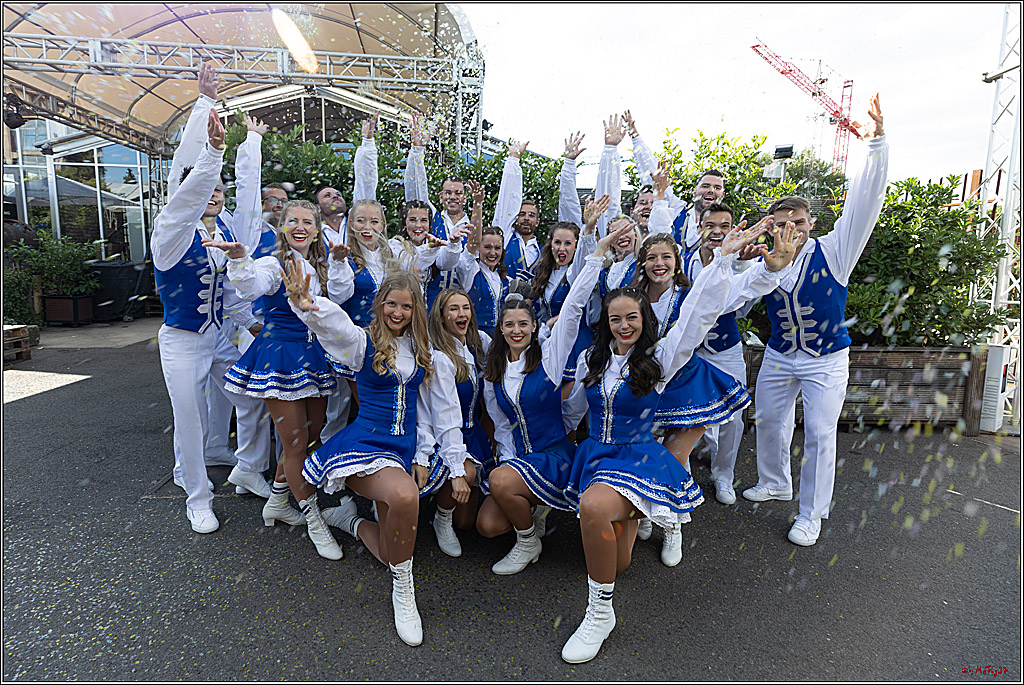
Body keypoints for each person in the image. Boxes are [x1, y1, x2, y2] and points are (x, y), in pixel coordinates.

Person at [558, 217, 780, 664]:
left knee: (595, 509)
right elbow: (574, 399)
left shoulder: (659, 359)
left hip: (638, 457)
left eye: (633, 318)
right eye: (616, 319)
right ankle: (635, 519)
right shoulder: (590, 358)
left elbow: (697, 315)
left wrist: (722, 261)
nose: (624, 326)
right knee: (615, 559)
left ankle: (600, 613)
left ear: (646, 321)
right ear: (606, 322)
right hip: (596, 456)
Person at [284, 267, 464, 647]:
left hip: (405, 449)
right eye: (391, 304)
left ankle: (348, 521)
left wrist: (427, 453)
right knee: (404, 497)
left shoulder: (424, 353)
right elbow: (337, 329)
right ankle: (404, 591)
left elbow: (437, 410)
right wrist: (309, 305)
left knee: (389, 549)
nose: (397, 313)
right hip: (366, 445)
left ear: (417, 310)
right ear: (380, 304)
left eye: (406, 306)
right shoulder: (363, 344)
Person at [741, 95, 888, 547]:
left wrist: (878, 147)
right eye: (783, 221)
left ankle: (811, 514)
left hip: (826, 358)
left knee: (822, 434)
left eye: (800, 221)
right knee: (767, 418)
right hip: (781, 354)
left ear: (810, 222)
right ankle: (775, 481)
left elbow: (864, 205)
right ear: (772, 226)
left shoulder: (834, 251)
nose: (792, 229)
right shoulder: (762, 259)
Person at [475, 221, 635, 575]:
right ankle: (533, 515)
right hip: (519, 458)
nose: (517, 331)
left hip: (552, 455)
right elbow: (501, 423)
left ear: (535, 326)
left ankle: (528, 540)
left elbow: (576, 303)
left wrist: (595, 254)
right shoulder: (495, 370)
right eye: (509, 325)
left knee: (501, 483)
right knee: (487, 526)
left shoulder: (548, 359)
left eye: (523, 324)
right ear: (500, 329)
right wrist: (509, 458)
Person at [205, 200, 338, 547]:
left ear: (317, 228)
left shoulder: (318, 264)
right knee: (294, 444)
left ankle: (278, 501)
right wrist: (238, 260)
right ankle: (314, 518)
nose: (300, 226)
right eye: (292, 220)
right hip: (280, 357)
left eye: (307, 221)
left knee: (310, 438)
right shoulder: (271, 263)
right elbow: (250, 286)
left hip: (312, 355)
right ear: (282, 227)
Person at [152, 106, 234, 533]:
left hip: (216, 336)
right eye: (201, 191)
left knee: (247, 398)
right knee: (188, 416)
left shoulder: (213, 235)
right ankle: (198, 497)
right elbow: (185, 191)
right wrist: (213, 150)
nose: (209, 196)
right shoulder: (168, 232)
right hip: (181, 340)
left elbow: (229, 290)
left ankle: (235, 460)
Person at [414, 288, 493, 557]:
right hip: (443, 436)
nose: (462, 314)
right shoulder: (440, 357)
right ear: (442, 316)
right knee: (467, 474)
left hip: (472, 432)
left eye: (466, 308)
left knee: (467, 523)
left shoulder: (476, 343)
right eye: (453, 309)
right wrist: (457, 470)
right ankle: (441, 519)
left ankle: (447, 508)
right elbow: (443, 417)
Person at [623, 110, 726, 251]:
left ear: (723, 195)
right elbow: (653, 176)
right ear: (694, 191)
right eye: (706, 186)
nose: (710, 190)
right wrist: (635, 137)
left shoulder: (726, 230)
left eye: (717, 188)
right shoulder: (677, 210)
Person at [403, 115, 473, 309]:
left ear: (465, 198)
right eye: (448, 193)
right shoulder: (431, 217)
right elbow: (416, 189)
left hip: (459, 303)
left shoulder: (472, 226)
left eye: (458, 193)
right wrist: (417, 150)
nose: (453, 197)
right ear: (441, 196)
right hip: (428, 300)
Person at [492, 141, 541, 281]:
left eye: (531, 215)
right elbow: (508, 199)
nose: (526, 218)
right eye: (522, 214)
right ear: (515, 218)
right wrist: (513, 159)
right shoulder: (505, 237)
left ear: (537, 222)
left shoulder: (544, 251)